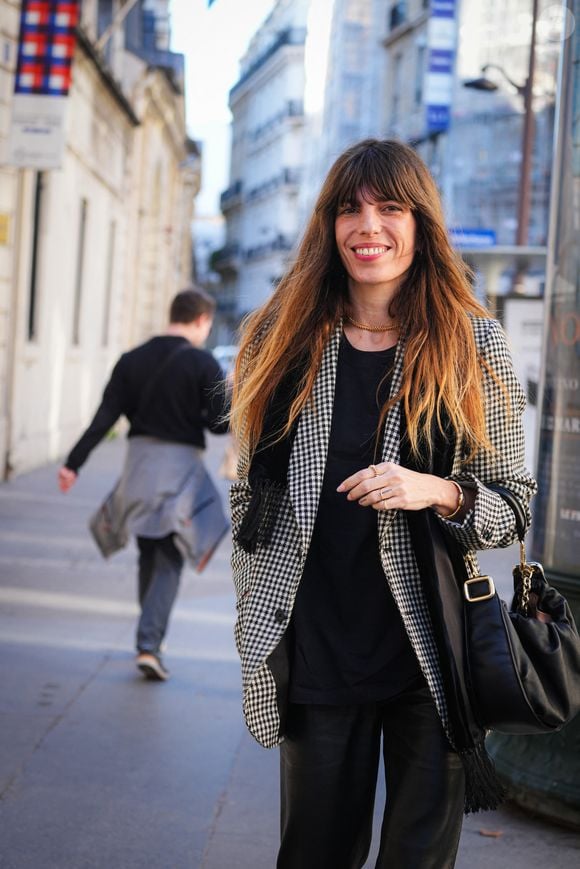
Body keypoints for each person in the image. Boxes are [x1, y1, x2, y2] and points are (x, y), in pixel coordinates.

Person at [228, 140, 537, 868]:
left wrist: (437, 488)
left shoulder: (471, 342)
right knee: (314, 853)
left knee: (417, 859)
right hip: (317, 644)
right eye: (350, 208)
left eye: (390, 207)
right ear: (329, 225)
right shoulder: (284, 339)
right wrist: (256, 609)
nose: (369, 225)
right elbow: (249, 492)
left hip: (432, 651)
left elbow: (515, 502)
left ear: (420, 221)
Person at [58, 287, 229, 682]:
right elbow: (219, 424)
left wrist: (73, 464)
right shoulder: (203, 364)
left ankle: (150, 638)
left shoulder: (130, 360)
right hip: (179, 471)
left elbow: (104, 418)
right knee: (170, 553)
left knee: (151, 548)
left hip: (137, 468)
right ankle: (149, 644)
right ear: (202, 321)